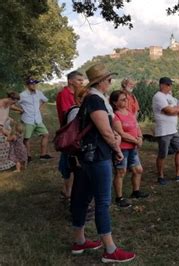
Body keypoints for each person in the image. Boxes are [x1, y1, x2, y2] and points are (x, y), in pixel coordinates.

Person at [70, 63, 135, 263]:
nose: (110, 83)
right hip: (97, 156)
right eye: (109, 80)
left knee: (82, 198)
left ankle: (79, 241)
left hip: (87, 157)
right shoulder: (95, 100)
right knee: (103, 202)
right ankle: (110, 249)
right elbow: (105, 131)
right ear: (101, 82)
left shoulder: (90, 99)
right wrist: (117, 150)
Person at [110, 90, 148, 208]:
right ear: (114, 103)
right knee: (121, 172)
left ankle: (136, 192)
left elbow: (137, 126)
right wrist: (136, 140)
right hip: (123, 148)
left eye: (125, 99)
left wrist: (140, 137)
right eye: (122, 99)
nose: (126, 101)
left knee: (138, 170)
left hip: (133, 148)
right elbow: (120, 133)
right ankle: (119, 198)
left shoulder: (130, 113)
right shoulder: (115, 116)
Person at [152, 77, 179, 185]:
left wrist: (176, 109)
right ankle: (160, 176)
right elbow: (169, 111)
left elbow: (178, 109)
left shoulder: (169, 97)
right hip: (163, 130)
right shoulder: (158, 96)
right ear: (162, 85)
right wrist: (176, 109)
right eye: (168, 84)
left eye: (171, 84)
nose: (170, 86)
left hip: (173, 130)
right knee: (162, 154)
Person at [57, 71, 85, 199]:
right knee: (69, 162)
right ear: (70, 81)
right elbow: (69, 114)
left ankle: (67, 190)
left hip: (76, 133)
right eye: (79, 80)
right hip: (69, 133)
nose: (82, 82)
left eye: (82, 80)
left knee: (73, 164)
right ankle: (68, 191)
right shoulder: (64, 94)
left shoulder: (76, 94)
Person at [18, 77, 53, 161]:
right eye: (31, 84)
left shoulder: (39, 93)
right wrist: (20, 110)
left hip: (38, 119)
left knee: (46, 134)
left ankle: (43, 155)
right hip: (27, 119)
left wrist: (39, 107)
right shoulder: (22, 95)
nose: (34, 85)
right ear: (27, 85)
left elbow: (45, 100)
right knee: (26, 138)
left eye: (35, 83)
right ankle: (28, 156)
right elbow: (12, 103)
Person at [0, 92, 21, 171]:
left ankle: (5, 163)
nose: (13, 104)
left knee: (6, 145)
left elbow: (4, 113)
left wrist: (9, 118)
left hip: (4, 126)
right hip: (0, 127)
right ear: (10, 98)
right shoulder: (0, 103)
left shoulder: (8, 104)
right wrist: (2, 129)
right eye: (14, 102)